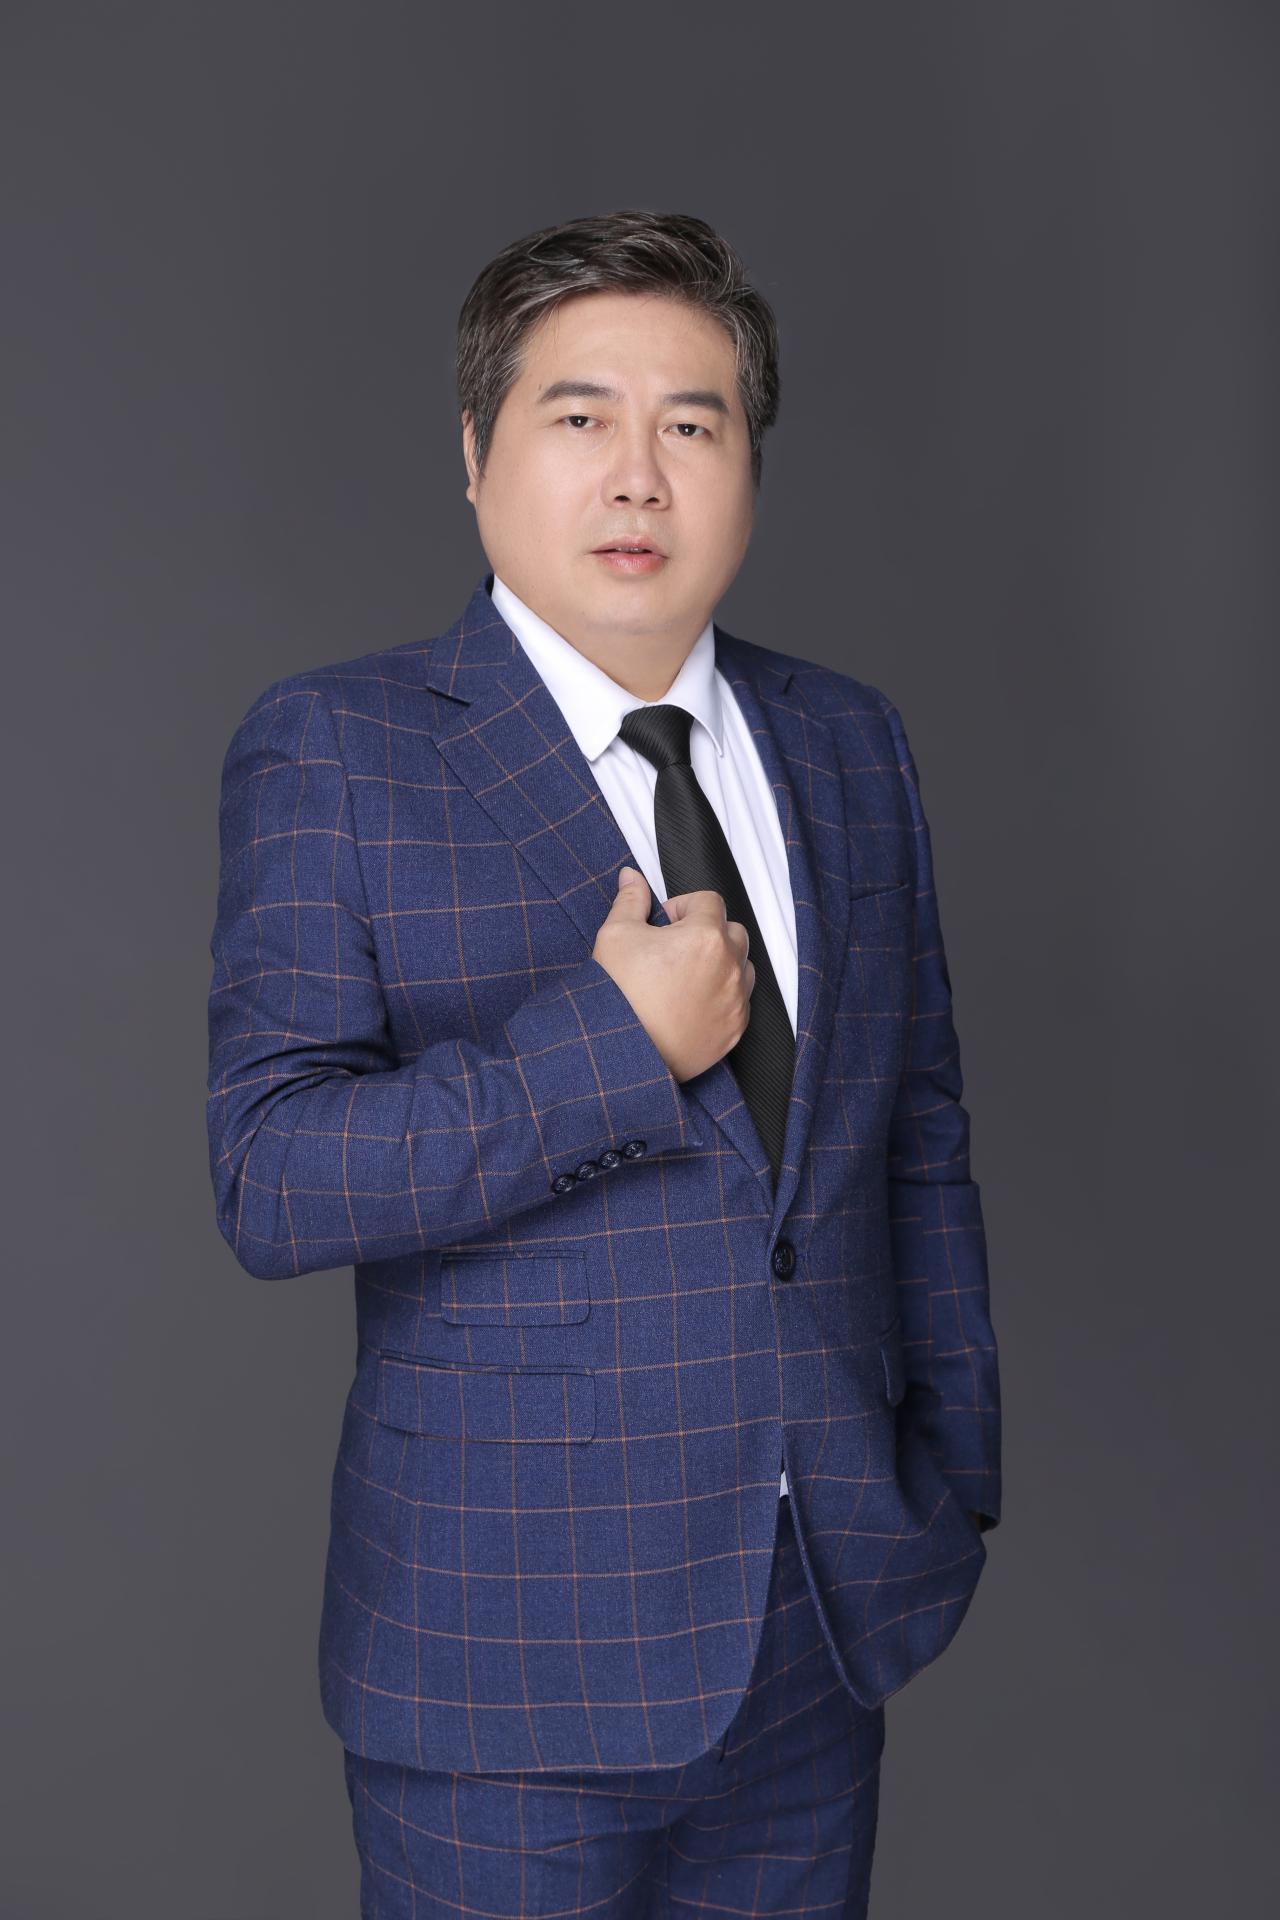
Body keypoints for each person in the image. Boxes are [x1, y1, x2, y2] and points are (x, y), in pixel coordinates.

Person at [206, 207, 1002, 1918]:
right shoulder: (338, 747)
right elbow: (270, 1174)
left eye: (691, 425)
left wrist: (951, 1478)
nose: (639, 475)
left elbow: (916, 1132)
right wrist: (610, 1048)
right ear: (477, 453)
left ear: (747, 471)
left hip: (816, 1628)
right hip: (503, 1671)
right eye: (581, 417)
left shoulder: (848, 742)